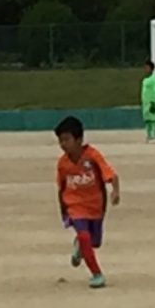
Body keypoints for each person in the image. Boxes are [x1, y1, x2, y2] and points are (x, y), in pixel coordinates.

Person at [55, 116, 120, 289]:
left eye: (67, 140)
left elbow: (111, 175)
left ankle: (80, 245)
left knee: (94, 242)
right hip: (75, 207)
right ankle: (96, 273)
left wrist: (115, 191)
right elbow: (61, 187)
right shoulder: (62, 164)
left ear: (79, 139)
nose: (63, 144)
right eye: (60, 141)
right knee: (84, 236)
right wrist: (64, 210)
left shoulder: (92, 156)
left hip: (95, 206)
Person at [141, 60, 155, 143]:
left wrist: (153, 102)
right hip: (145, 103)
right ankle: (148, 135)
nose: (145, 69)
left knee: (153, 119)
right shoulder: (145, 79)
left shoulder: (154, 79)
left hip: (151, 102)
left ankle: (154, 136)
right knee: (147, 120)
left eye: (147, 67)